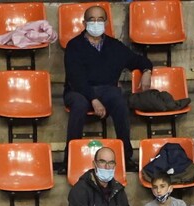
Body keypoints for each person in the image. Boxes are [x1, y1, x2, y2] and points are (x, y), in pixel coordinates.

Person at [62, 5, 150, 169]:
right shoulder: (74, 46)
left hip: (106, 91)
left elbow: (138, 60)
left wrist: (147, 71)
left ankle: (126, 157)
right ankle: (69, 161)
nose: (96, 23)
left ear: (106, 23)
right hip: (78, 91)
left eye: (100, 20)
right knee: (79, 105)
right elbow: (76, 79)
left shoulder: (114, 46)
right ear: (84, 23)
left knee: (119, 100)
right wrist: (94, 99)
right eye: (92, 20)